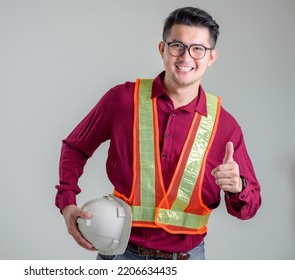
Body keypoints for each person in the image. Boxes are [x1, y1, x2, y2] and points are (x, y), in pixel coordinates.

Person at [55, 6, 262, 260]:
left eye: (198, 49)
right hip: (120, 254)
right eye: (177, 46)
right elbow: (76, 146)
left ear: (211, 57)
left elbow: (248, 208)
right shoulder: (121, 100)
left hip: (187, 260)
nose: (186, 57)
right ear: (162, 49)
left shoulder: (225, 125)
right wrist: (67, 201)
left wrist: (237, 186)